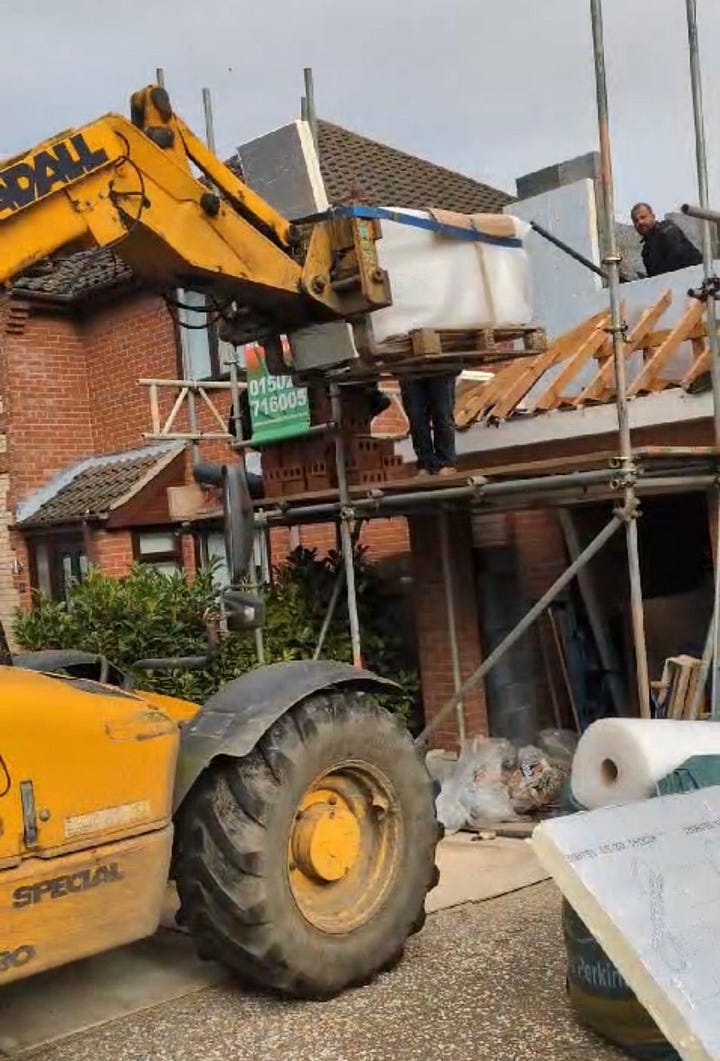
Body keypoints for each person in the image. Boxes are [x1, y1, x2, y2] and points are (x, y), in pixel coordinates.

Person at [399, 373, 458, 476]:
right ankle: (425, 464)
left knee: (442, 415)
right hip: (410, 371)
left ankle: (445, 463)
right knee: (416, 419)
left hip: (441, 368)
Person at [631, 202, 702, 278]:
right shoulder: (646, 252)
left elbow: (677, 260)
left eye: (643, 217)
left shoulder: (667, 230)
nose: (640, 222)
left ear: (653, 217)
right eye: (636, 221)